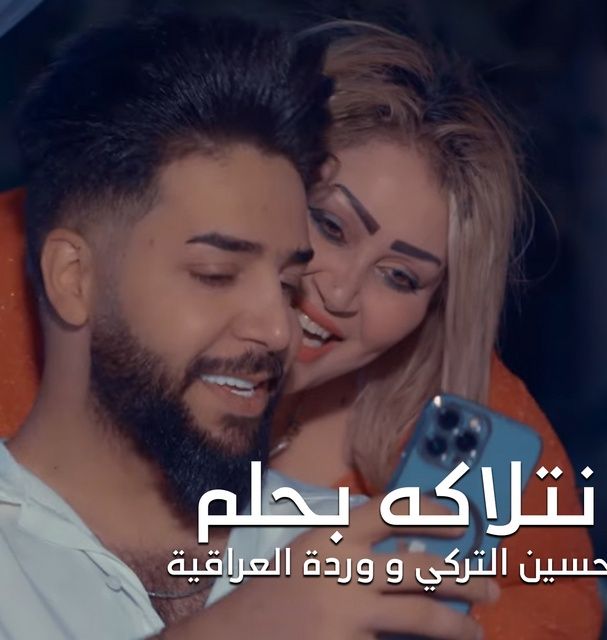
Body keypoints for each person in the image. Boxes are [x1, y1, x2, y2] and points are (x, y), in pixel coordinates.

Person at [0, 11, 497, 640]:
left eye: (287, 284)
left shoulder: (349, 550)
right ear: (74, 278)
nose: (280, 330)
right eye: (217, 274)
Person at [266, 25, 603, 639]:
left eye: (399, 276)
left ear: (436, 304)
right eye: (330, 226)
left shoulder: (473, 422)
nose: (340, 292)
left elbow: (557, 611)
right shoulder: (117, 313)